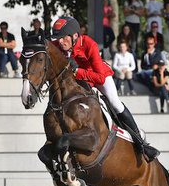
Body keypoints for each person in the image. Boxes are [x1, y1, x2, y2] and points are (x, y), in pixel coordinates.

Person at [51, 16, 159, 161]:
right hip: (79, 81)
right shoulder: (58, 44)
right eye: (58, 39)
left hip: (99, 76)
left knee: (115, 103)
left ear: (75, 36)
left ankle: (141, 143)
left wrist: (78, 72)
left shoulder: (90, 45)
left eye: (63, 38)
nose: (60, 42)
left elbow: (100, 77)